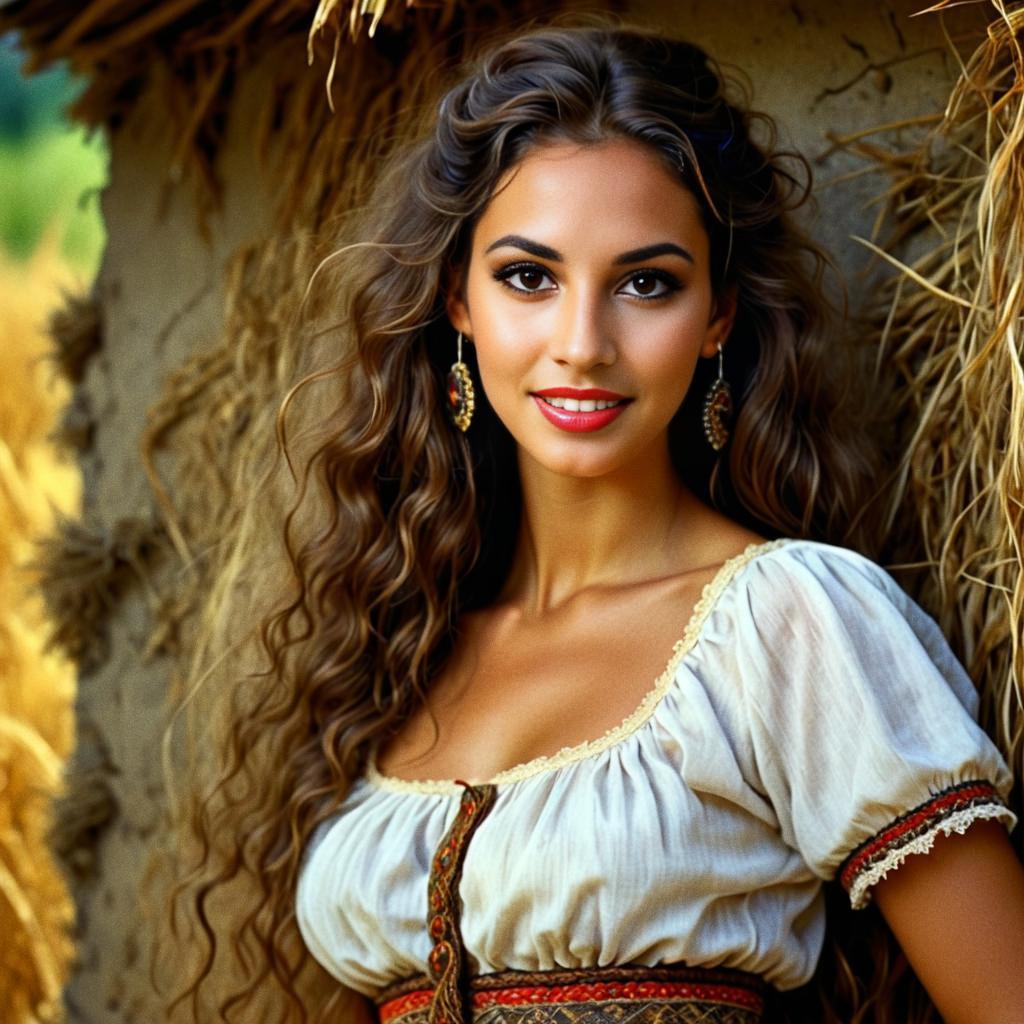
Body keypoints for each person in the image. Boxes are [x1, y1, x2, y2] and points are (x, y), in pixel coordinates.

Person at [171, 21, 1024, 1024]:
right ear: (457, 297)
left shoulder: (789, 621)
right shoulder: (400, 644)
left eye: (645, 283)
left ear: (716, 315)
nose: (582, 344)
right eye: (528, 276)